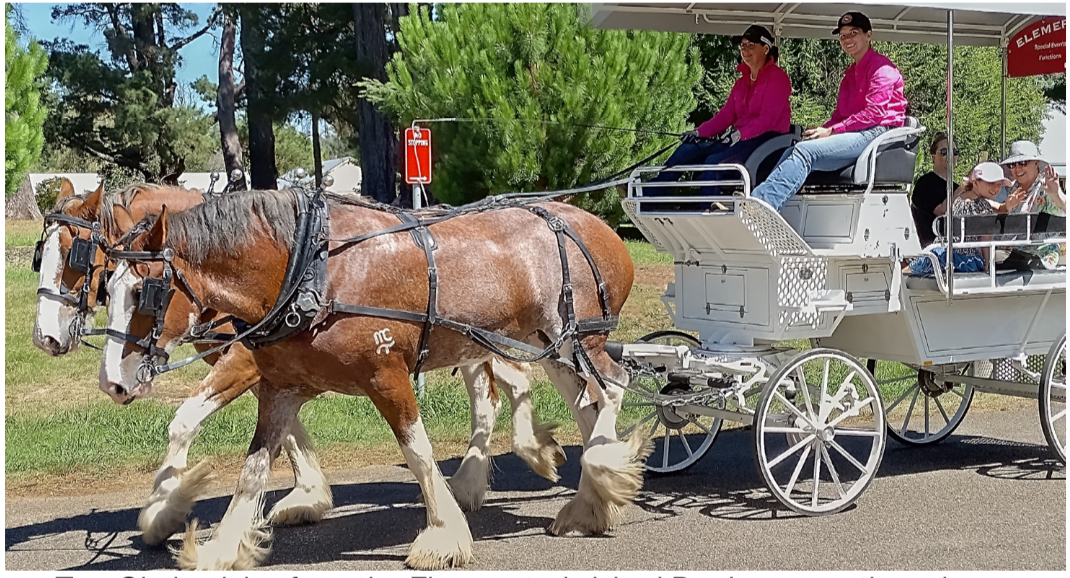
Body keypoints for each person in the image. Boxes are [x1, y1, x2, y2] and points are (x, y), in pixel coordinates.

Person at [750, 12, 908, 210]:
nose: (847, 39)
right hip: (859, 131)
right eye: (842, 35)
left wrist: (831, 131)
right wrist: (820, 130)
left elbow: (874, 114)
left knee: (804, 152)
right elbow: (840, 116)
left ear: (868, 35)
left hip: (878, 133)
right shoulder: (850, 74)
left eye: (853, 33)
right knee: (794, 149)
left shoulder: (882, 68)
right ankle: (759, 202)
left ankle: (761, 207)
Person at [652, 25, 792, 193]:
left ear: (766, 48)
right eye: (742, 46)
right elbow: (726, 115)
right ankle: (650, 196)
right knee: (687, 150)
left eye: (750, 45)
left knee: (714, 162)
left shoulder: (778, 78)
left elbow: (768, 118)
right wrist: (699, 132)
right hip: (740, 140)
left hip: (766, 141)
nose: (745, 50)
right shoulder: (741, 83)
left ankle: (705, 205)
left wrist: (740, 134)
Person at [907, 162, 1027, 276]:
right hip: (964, 259)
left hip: (942, 252)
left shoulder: (962, 198)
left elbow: (1001, 208)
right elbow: (986, 237)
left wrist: (1009, 205)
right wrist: (987, 264)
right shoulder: (982, 206)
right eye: (991, 183)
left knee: (911, 270)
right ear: (975, 183)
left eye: (999, 184)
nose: (996, 188)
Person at [998, 140, 1066, 269]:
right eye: (1012, 164)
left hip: (1038, 255)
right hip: (1012, 251)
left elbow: (1064, 208)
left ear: (1036, 163)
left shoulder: (1045, 187)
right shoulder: (1012, 189)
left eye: (1023, 163)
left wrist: (1056, 194)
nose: (1017, 168)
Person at [911, 132, 957, 247]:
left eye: (954, 152)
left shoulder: (956, 187)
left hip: (955, 245)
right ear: (933, 156)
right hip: (932, 247)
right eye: (944, 152)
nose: (950, 156)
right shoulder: (924, 184)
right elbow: (942, 211)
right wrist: (962, 190)